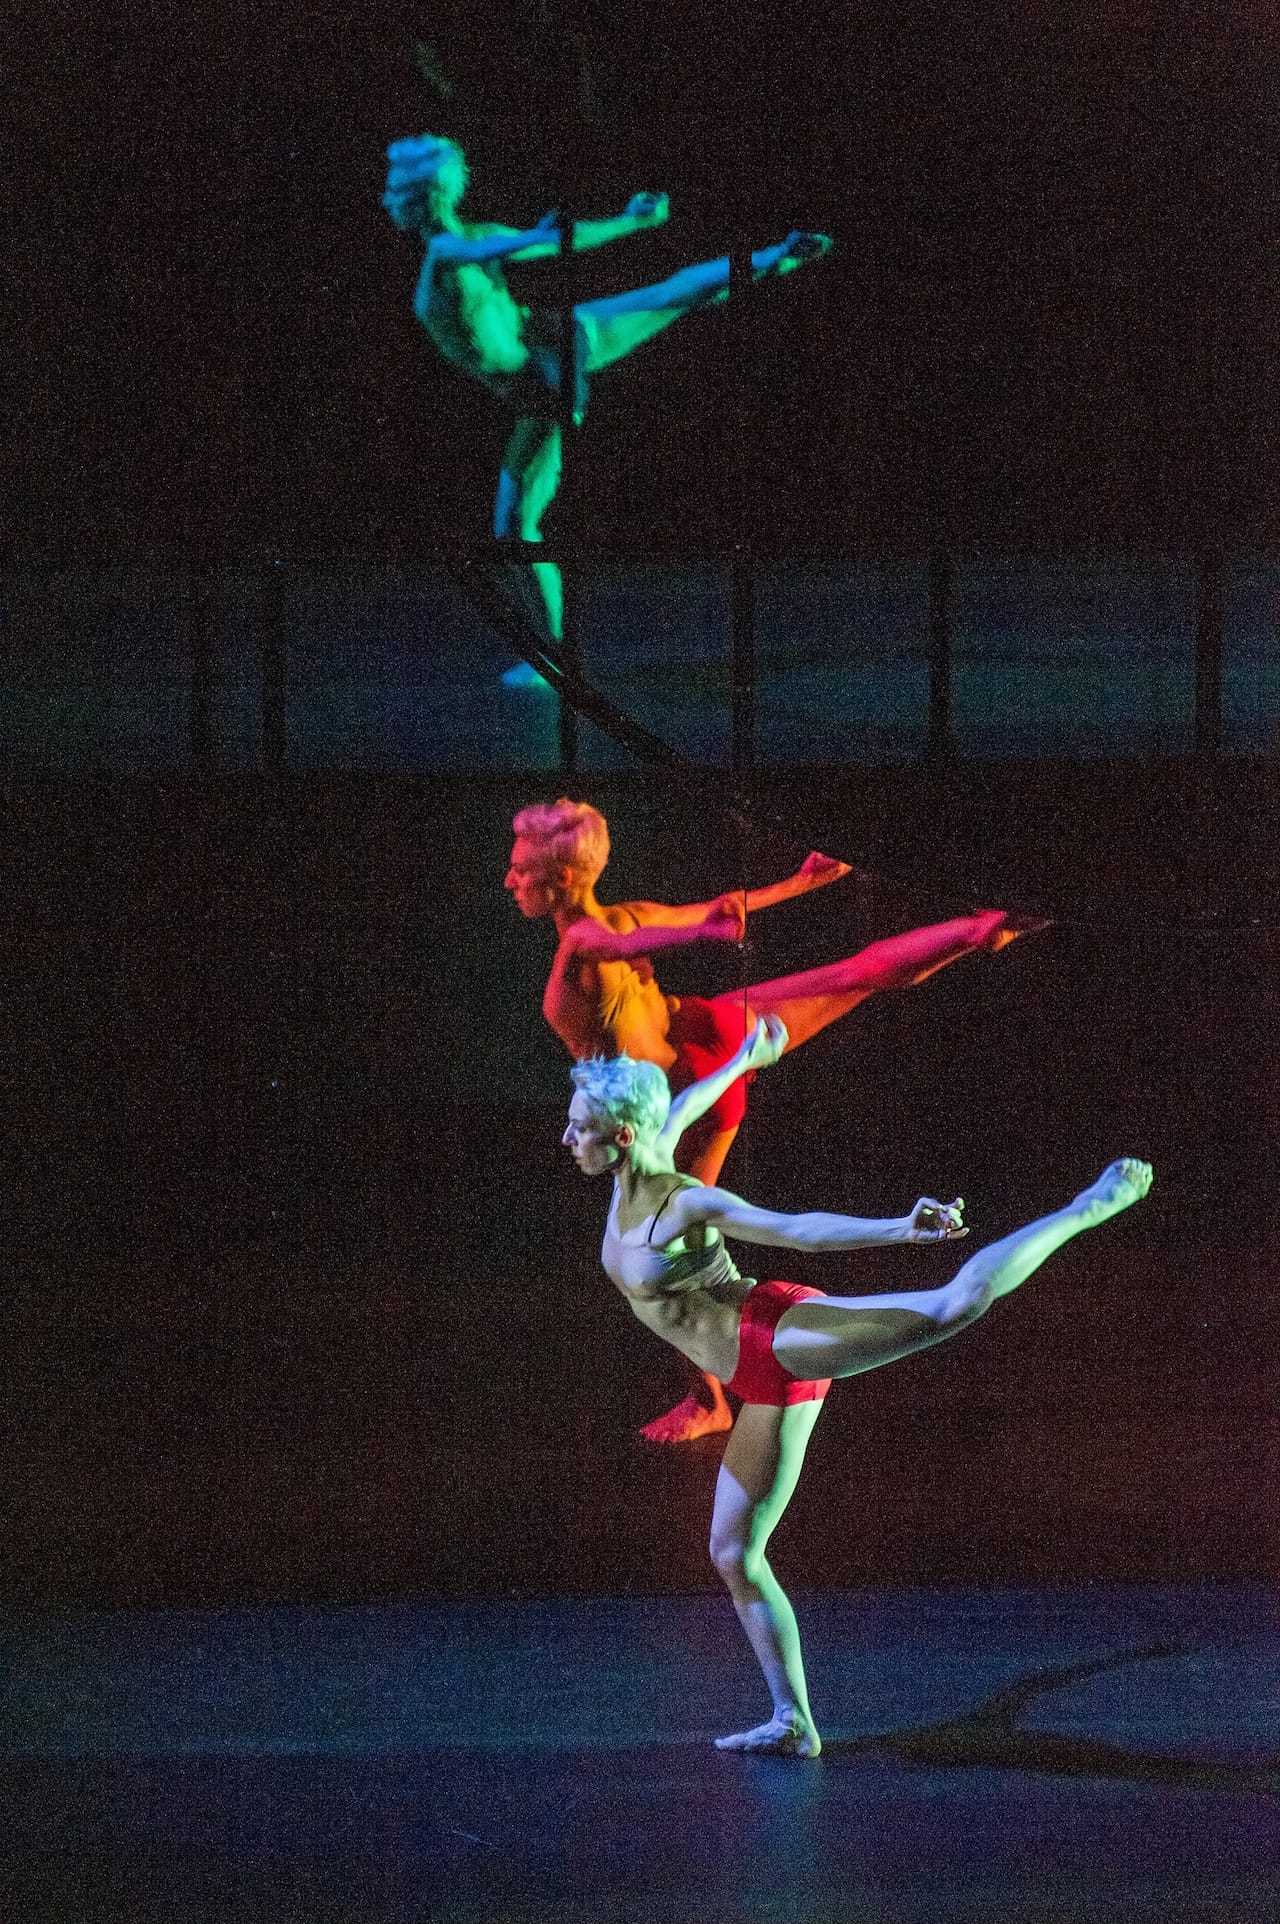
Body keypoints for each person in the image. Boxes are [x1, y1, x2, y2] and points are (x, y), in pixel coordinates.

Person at [562, 1019, 1154, 1757]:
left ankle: (1083, 1209)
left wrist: (899, 1230)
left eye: (580, 1127)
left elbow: (797, 1231)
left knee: (952, 1302)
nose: (567, 1138)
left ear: (620, 1136)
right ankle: (794, 1721)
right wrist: (745, 1057)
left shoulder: (680, 1199)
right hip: (754, 1382)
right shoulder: (641, 1150)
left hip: (774, 1339)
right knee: (733, 1553)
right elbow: (685, 1101)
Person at [508, 796, 1043, 1441]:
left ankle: (710, 1400)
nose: (510, 883)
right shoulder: (624, 915)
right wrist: (795, 885)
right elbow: (685, 919)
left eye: (519, 872)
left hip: (682, 1099)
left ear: (561, 880)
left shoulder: (583, 942)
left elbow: (632, 939)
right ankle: (981, 928)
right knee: (853, 974)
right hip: (708, 1030)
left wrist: (702, 934)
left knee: (662, 1264)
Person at [381, 133, 831, 653]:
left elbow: (503, 246)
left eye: (394, 193)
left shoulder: (447, 249)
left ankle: (551, 656)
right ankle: (775, 257)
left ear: (423, 198)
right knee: (669, 295)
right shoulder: (470, 244)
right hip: (550, 340)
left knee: (514, 529)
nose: (387, 203)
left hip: (542, 379)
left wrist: (626, 223)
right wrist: (626, 222)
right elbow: (530, 243)